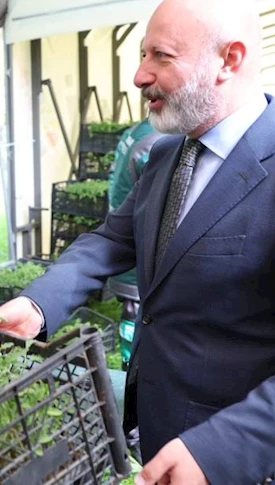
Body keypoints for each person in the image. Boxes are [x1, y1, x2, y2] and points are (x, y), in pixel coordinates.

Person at [0, 0, 275, 485]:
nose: (139, 75)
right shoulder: (165, 154)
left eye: (161, 56)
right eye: (140, 54)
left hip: (234, 462)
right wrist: (39, 304)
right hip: (157, 430)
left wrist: (216, 451)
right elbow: (114, 239)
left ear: (228, 60)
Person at [107, 118, 163, 371]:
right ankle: (132, 371)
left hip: (121, 233)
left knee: (132, 314)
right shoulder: (158, 142)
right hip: (136, 248)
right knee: (136, 316)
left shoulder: (137, 131)